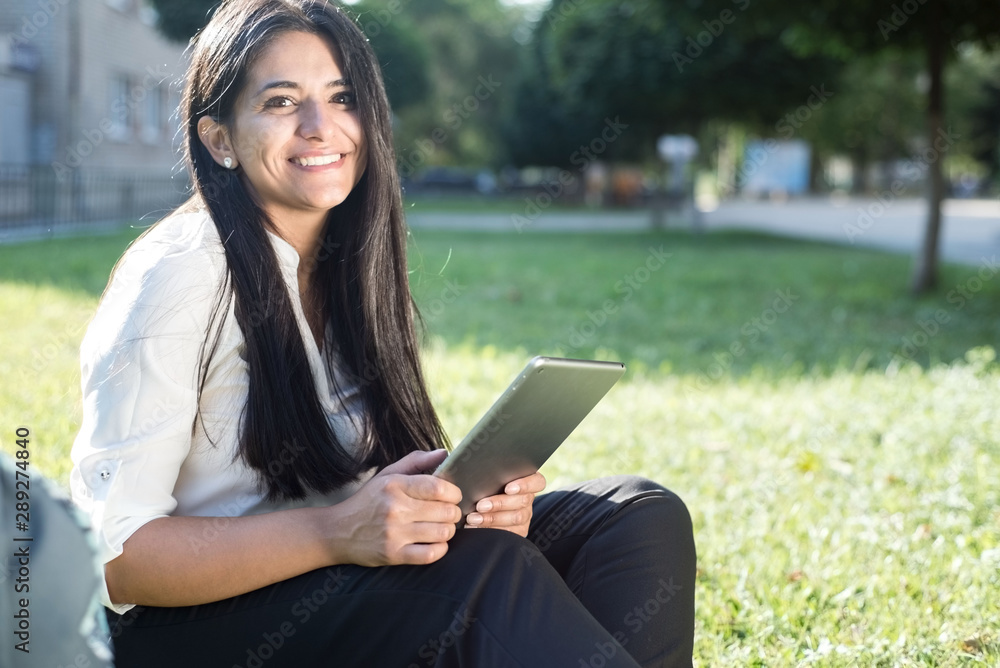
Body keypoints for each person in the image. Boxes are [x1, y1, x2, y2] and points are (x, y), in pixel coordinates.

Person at [69, 1, 697, 666]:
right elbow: (116, 557)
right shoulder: (180, 275)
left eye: (341, 97)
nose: (321, 127)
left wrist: (462, 507)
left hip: (327, 583)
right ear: (219, 139)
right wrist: (337, 533)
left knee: (634, 517)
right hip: (185, 633)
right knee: (477, 581)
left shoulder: (346, 259)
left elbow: (356, 484)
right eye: (281, 102)